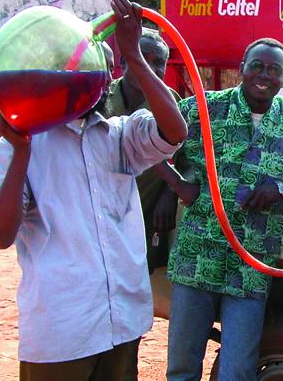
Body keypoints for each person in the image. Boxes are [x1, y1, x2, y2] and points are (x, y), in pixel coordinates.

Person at [0, 0, 187, 381]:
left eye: (109, 72)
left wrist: (134, 58)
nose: (103, 80)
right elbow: (0, 235)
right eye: (95, 69)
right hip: (61, 335)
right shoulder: (21, 145)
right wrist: (20, 150)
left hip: (122, 324)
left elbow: (175, 132)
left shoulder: (119, 136)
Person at [161, 37, 283, 380]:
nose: (264, 75)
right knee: (182, 367)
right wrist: (174, 186)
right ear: (242, 68)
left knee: (238, 370)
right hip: (198, 257)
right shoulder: (204, 107)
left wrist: (282, 188)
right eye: (257, 65)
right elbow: (151, 139)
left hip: (252, 263)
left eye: (274, 69)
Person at [102, 28, 181, 381]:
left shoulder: (168, 101)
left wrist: (169, 193)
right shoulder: (101, 99)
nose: (152, 67)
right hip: (101, 219)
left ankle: (126, 369)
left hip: (146, 220)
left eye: (159, 63)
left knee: (134, 298)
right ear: (124, 61)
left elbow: (184, 153)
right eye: (144, 58)